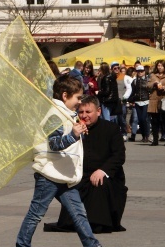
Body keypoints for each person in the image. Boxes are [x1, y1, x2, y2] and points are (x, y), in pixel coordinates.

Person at [9, 75, 124, 247]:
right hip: (49, 174)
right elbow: (55, 145)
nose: (80, 103)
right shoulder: (53, 114)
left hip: (63, 175)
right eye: (78, 98)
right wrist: (74, 135)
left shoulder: (64, 114)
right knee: (36, 214)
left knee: (79, 214)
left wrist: (76, 131)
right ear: (65, 95)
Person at [49, 95, 128, 234]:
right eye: (81, 112)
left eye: (88, 112)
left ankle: (98, 222)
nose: (84, 115)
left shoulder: (111, 129)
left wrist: (103, 171)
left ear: (98, 111)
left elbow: (119, 155)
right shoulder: (73, 128)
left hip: (105, 175)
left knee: (99, 183)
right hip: (81, 174)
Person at [147, 60, 165, 146]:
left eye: (161, 66)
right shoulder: (153, 75)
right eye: (158, 66)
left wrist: (164, 88)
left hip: (164, 100)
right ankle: (155, 140)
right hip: (154, 99)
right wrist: (154, 84)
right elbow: (147, 86)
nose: (159, 67)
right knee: (155, 121)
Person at [128, 66, 150, 142]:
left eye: (141, 71)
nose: (140, 73)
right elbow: (133, 92)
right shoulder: (134, 81)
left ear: (144, 71)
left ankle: (147, 135)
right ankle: (143, 136)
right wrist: (130, 99)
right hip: (137, 102)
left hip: (146, 101)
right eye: (138, 71)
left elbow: (150, 91)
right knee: (140, 120)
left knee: (144, 119)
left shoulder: (148, 80)